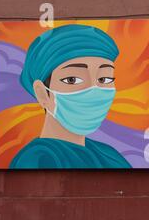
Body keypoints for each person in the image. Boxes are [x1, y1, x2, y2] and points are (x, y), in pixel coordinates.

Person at [10, 24, 131, 169]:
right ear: (42, 93)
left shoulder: (108, 154)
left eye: (104, 79)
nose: (94, 91)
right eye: (72, 79)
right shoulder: (39, 159)